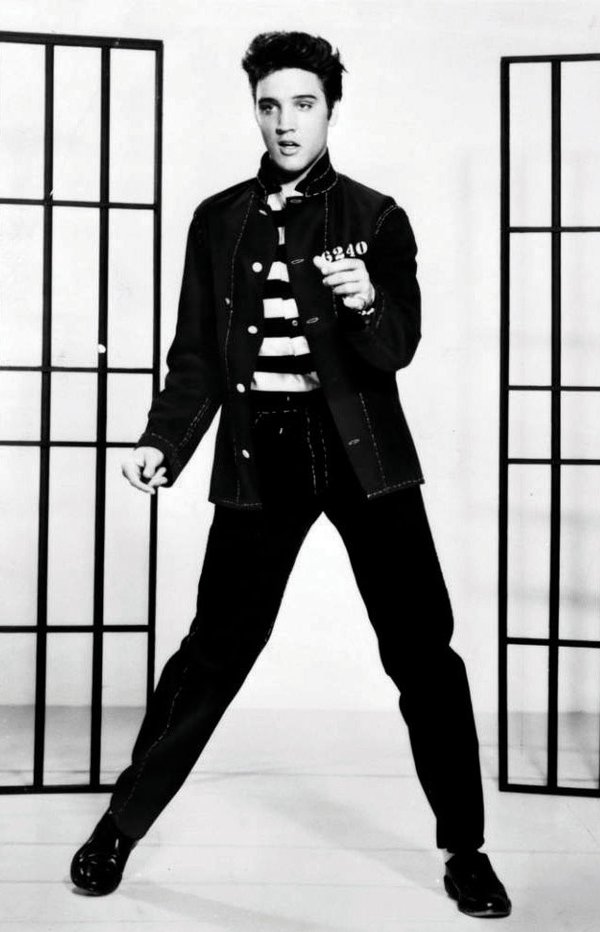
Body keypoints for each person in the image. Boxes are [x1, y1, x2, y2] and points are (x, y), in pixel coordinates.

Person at [70, 30, 511, 918]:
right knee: (213, 652)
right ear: (256, 110)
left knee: (423, 652)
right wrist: (163, 441)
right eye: (270, 104)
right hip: (258, 453)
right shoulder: (217, 219)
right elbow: (197, 355)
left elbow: (398, 348)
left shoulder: (377, 217)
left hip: (363, 456)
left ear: (330, 109)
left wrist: (368, 302)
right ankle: (119, 826)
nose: (285, 121)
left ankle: (466, 850)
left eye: (303, 103)